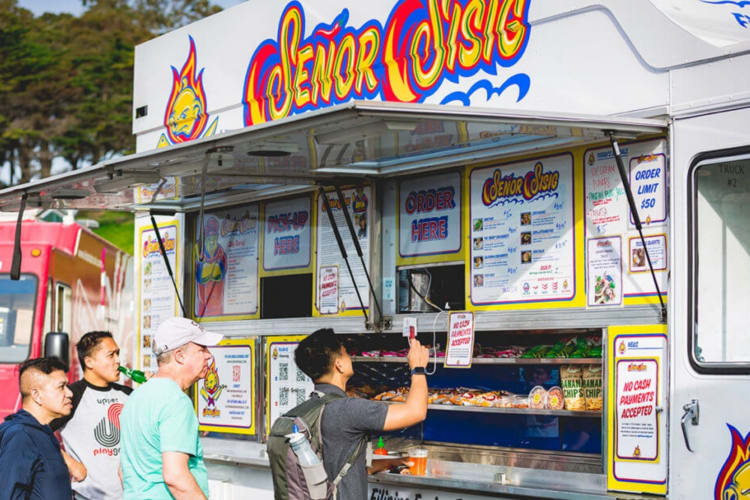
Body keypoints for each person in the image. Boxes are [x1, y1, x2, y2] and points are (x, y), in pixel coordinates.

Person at [292, 328, 430, 499]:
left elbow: (341, 467)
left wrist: (394, 462)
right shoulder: (349, 409)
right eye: (345, 353)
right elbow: (416, 412)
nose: (350, 357)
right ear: (339, 365)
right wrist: (418, 368)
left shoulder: (306, 410)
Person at [120, 317, 223, 500]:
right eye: (201, 349)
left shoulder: (136, 397)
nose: (208, 355)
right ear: (179, 356)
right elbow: (175, 476)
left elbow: (123, 471)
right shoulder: (176, 401)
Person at [49, 331, 132, 499]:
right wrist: (71, 464)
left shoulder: (129, 394)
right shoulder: (72, 395)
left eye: (118, 354)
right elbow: (35, 432)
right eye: (111, 355)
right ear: (89, 362)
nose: (118, 360)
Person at [0, 357, 74, 500]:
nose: (69, 393)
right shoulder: (20, 436)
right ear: (36, 395)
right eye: (61, 387)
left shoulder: (44, 434)